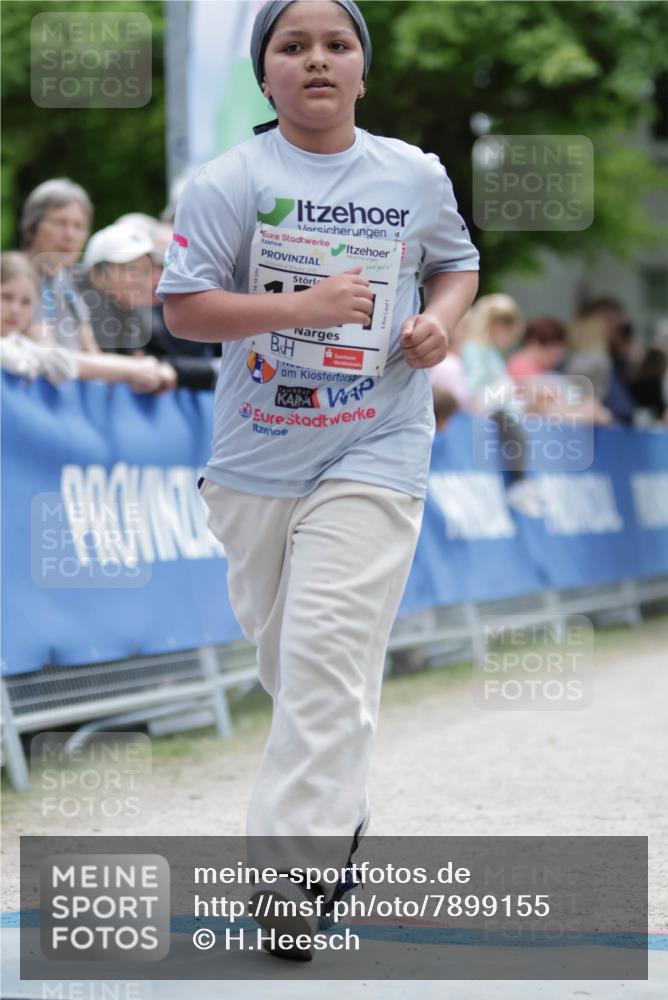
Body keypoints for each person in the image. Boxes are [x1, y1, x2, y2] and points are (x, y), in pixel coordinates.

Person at [158, 0, 479, 961]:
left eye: (337, 44)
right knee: (292, 664)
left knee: (330, 657)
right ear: (266, 73)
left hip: (376, 443)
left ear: (362, 69)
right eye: (292, 47)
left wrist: (441, 320)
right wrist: (300, 305)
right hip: (256, 459)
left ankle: (289, 878)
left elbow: (456, 266)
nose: (316, 61)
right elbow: (184, 312)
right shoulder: (228, 180)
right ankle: (338, 810)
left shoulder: (412, 174)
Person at [1, 251, 166, 392]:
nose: (15, 309)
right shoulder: (20, 350)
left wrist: (134, 369)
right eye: (6, 297)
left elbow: (58, 358)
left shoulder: (20, 343)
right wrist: (131, 369)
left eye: (26, 302)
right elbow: (52, 360)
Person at [20, 178, 99, 352]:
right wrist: (131, 369)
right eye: (59, 223)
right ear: (32, 228)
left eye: (79, 226)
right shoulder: (16, 277)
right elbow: (52, 357)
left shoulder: (66, 282)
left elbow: (91, 352)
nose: (70, 235)